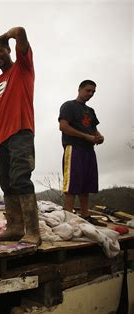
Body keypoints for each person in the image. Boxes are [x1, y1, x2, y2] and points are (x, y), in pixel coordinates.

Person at [0, 26, 41, 246]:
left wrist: (4, 37)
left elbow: (21, 31)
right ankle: (15, 227)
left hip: (20, 132)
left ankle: (33, 232)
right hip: (0, 139)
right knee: (7, 184)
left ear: (9, 50)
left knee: (21, 179)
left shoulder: (23, 68)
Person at [58, 80, 105, 226]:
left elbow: (93, 129)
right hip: (74, 148)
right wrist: (87, 137)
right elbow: (63, 127)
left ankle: (85, 216)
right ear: (79, 89)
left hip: (89, 150)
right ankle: (68, 219)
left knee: (86, 185)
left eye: (93, 92)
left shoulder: (90, 111)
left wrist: (99, 137)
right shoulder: (68, 105)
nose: (90, 94)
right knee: (72, 185)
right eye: (88, 90)